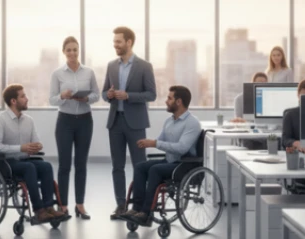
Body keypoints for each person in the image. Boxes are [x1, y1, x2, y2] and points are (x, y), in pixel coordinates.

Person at [120, 86, 201, 226]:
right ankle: (136, 209)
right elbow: (160, 141)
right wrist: (148, 143)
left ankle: (146, 214)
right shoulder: (169, 121)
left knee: (155, 170)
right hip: (170, 161)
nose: (166, 101)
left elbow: (182, 148)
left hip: (184, 164)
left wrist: (155, 143)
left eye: (169, 98)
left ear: (179, 101)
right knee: (140, 167)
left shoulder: (192, 123)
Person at [101, 26, 157, 220]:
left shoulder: (144, 66)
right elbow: (103, 92)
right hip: (115, 122)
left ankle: (140, 206)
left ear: (129, 42)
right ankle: (121, 205)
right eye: (114, 41)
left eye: (118, 41)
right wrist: (108, 95)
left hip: (136, 123)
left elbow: (151, 94)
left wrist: (128, 96)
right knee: (117, 166)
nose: (115, 44)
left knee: (139, 165)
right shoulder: (111, 65)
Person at [0, 84, 67, 223]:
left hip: (25, 159)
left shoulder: (29, 120)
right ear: (13, 101)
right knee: (30, 168)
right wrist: (21, 148)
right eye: (23, 96)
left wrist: (37, 146)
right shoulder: (0, 120)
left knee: (46, 166)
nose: (27, 99)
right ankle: (39, 210)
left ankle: (49, 207)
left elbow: (36, 142)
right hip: (7, 162)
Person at [49, 36, 100, 219]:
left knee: (81, 164)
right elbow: (51, 100)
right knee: (64, 165)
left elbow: (97, 95)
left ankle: (80, 205)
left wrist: (86, 98)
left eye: (75, 49)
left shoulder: (89, 72)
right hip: (65, 121)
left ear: (79, 51)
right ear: (64, 52)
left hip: (85, 121)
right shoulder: (57, 74)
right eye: (68, 50)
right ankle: (63, 206)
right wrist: (62, 96)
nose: (72, 53)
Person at [281, 79, 305, 153]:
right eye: (303, 96)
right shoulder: (290, 115)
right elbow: (285, 140)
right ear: (298, 95)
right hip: (298, 153)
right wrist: (297, 143)